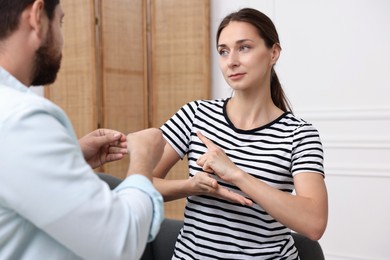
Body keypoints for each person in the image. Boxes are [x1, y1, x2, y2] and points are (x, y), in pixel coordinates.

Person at [153, 7, 328, 259]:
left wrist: (235, 173)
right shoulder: (196, 115)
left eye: (244, 47)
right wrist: (192, 186)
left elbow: (314, 223)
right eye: (223, 51)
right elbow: (141, 184)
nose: (231, 60)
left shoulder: (299, 135)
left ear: (273, 53)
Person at [0, 0, 165, 259]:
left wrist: (69, 157)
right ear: (37, 17)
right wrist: (143, 161)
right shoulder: (22, 119)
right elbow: (121, 241)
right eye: (61, 22)